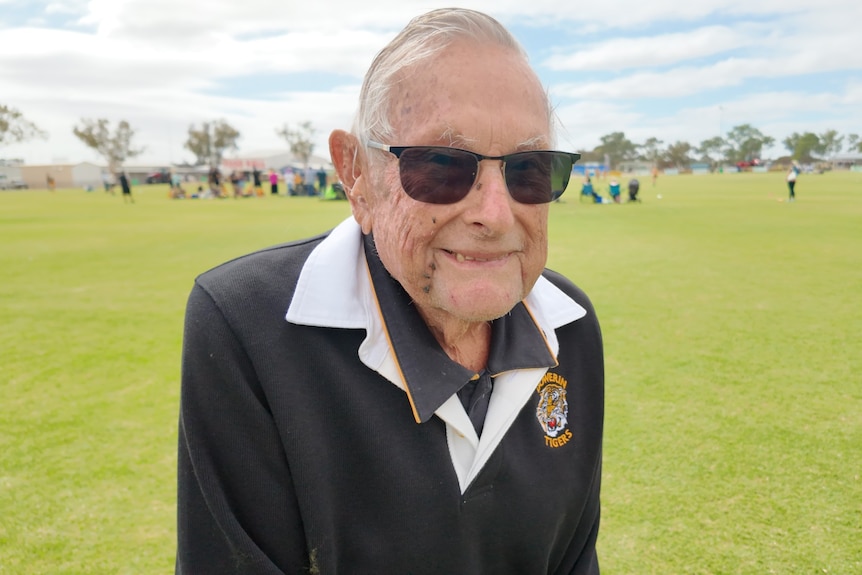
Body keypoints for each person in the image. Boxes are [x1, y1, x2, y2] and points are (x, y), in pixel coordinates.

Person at [177, 8, 603, 574]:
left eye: (529, 169)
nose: (497, 215)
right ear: (355, 175)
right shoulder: (245, 321)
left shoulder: (570, 328)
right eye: (444, 164)